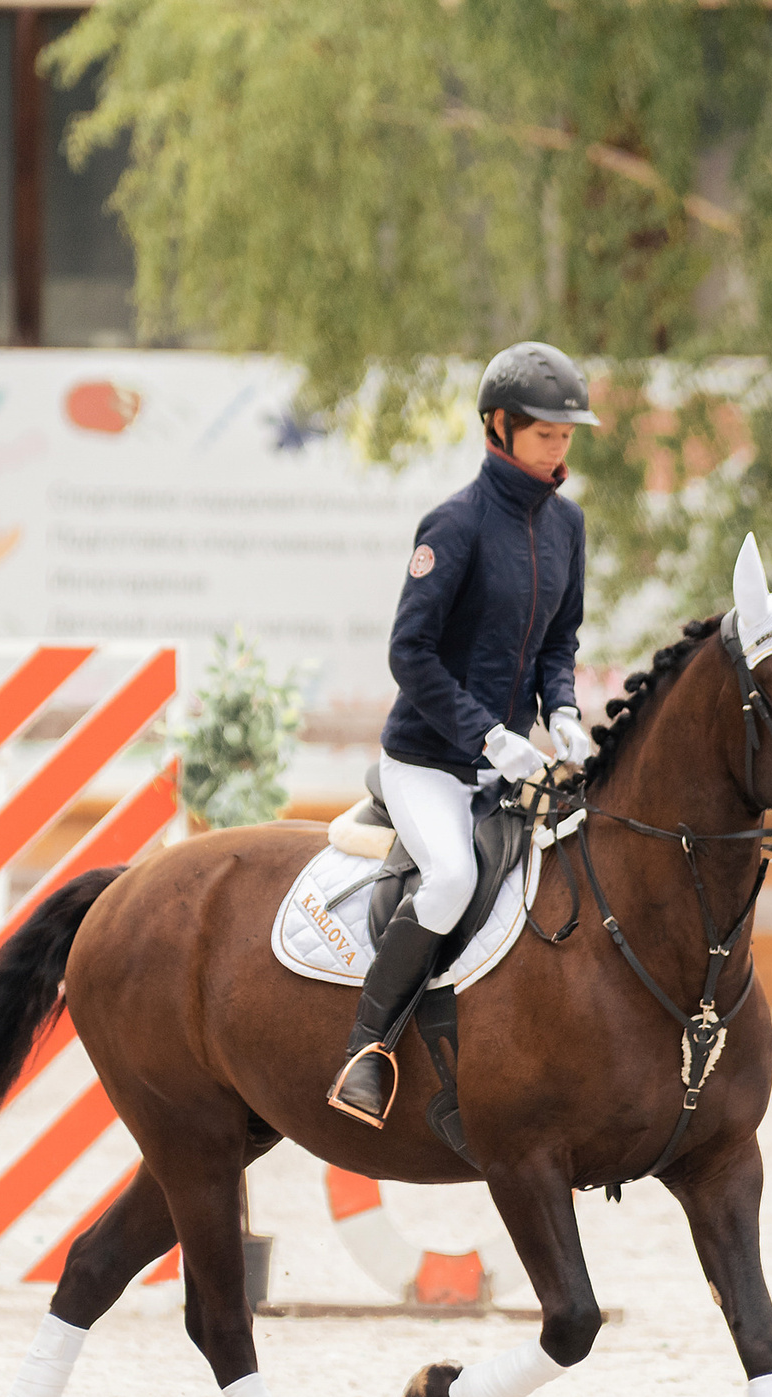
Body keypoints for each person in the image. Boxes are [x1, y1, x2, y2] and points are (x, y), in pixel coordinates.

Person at [326, 341, 599, 1127]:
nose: (559, 448)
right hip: (429, 761)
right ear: (500, 427)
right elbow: (407, 653)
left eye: (567, 436)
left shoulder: (567, 526)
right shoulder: (453, 524)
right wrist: (488, 736)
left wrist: (565, 715)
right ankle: (366, 1048)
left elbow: (557, 643)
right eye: (546, 433)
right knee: (449, 878)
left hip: (508, 764)